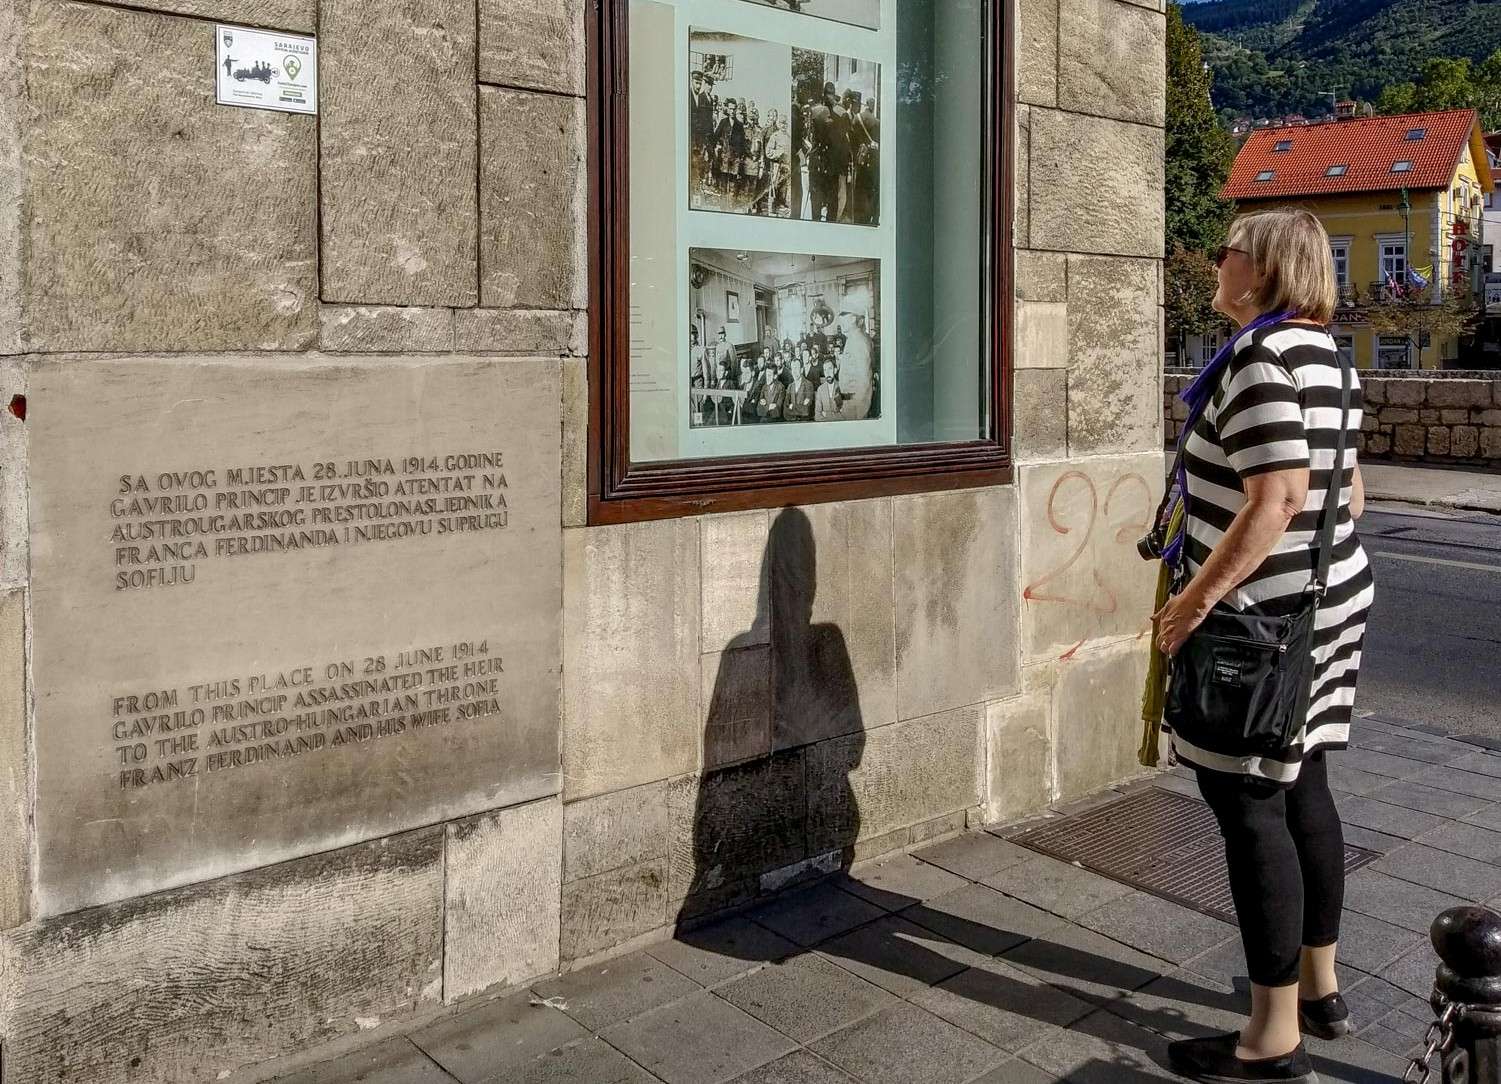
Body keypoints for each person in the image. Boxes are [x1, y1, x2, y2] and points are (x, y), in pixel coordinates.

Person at [1154, 209, 1373, 1084]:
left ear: (1264, 269)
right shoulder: (1329, 357)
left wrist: (1192, 604)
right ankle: (1320, 988)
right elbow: (1347, 495)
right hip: (1328, 599)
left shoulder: (1258, 358)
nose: (1217, 262)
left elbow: (1277, 495)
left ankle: (1270, 1037)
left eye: (1229, 252)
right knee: (1303, 781)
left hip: (1260, 621)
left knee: (1249, 804)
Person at [807, 82, 850, 223]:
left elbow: (810, 137)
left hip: (818, 163)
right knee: (831, 203)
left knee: (817, 202)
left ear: (823, 94)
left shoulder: (814, 111)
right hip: (832, 164)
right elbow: (844, 142)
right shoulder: (842, 114)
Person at [834, 308, 874, 420]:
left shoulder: (858, 341)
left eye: (843, 316)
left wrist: (859, 413)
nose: (840, 320)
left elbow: (864, 381)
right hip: (849, 403)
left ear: (852, 319)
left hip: (855, 408)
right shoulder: (852, 339)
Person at [852, 95, 879, 225]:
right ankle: (867, 218)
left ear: (865, 105)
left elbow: (852, 140)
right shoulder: (877, 122)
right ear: (873, 106)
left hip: (859, 159)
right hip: (872, 161)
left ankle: (858, 217)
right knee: (869, 189)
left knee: (859, 188)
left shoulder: (857, 118)